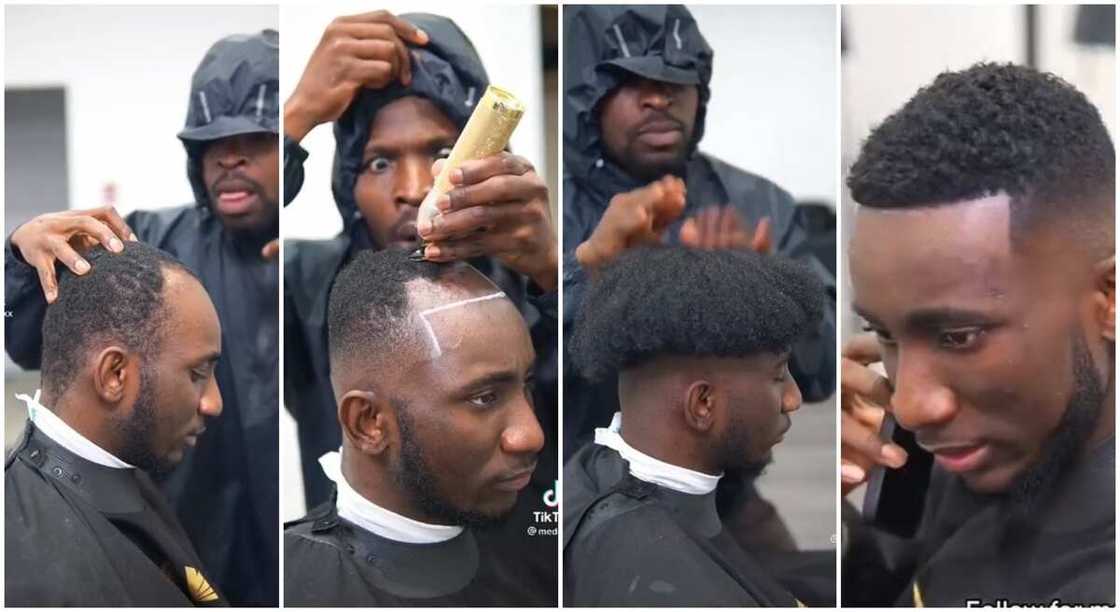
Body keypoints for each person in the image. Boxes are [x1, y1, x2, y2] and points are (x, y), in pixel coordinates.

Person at [282, 11, 558, 598]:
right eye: (380, 162)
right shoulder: (308, 285)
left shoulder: (537, 277)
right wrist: (293, 121)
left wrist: (558, 274)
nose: (413, 187)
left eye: (441, 151)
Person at [4, 30, 280, 605]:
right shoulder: (148, 248)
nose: (230, 157)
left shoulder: (314, 263)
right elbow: (39, 345)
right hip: (164, 545)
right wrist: (19, 259)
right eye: (211, 143)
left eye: (254, 139)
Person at [841, 63, 1115, 607]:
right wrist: (845, 526)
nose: (914, 407)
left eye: (959, 337)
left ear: (1108, 298)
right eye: (884, 334)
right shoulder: (935, 460)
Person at [561, 4, 836, 459]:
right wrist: (590, 275)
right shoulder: (549, 214)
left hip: (724, 489)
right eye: (630, 80)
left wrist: (764, 298)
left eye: (677, 77)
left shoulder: (760, 206)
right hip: (580, 480)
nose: (659, 98)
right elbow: (531, 376)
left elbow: (823, 373)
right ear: (587, 96)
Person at [564, 246, 832, 606]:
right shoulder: (652, 577)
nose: (793, 398)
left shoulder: (591, 472)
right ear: (703, 404)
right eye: (779, 375)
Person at [284, 248, 549, 605]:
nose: (532, 435)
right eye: (485, 397)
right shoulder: (292, 589)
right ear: (368, 424)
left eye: (527, 385)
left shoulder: (549, 547)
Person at [6, 243, 226, 606]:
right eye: (198, 373)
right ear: (114, 375)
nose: (214, 403)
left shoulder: (125, 463)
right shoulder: (29, 571)